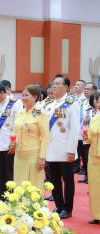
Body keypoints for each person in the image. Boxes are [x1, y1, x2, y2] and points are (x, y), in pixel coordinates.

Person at [46, 74, 80, 219]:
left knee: (68, 181)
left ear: (66, 87)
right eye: (53, 83)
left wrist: (72, 150)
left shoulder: (71, 104)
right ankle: (59, 205)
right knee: (54, 180)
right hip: (51, 150)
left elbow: (74, 129)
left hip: (65, 150)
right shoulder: (49, 105)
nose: (54, 86)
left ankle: (68, 208)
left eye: (58, 84)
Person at [12, 84, 49, 190]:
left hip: (34, 155)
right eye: (22, 95)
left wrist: (42, 157)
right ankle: (19, 206)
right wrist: (13, 141)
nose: (23, 98)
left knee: (33, 184)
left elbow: (45, 136)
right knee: (19, 183)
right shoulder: (19, 114)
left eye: (26, 95)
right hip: (19, 154)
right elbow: (15, 132)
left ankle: (34, 206)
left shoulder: (40, 114)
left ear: (35, 97)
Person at [82, 92, 100, 224]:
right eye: (97, 101)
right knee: (94, 186)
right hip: (94, 156)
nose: (98, 103)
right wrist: (85, 137)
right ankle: (97, 214)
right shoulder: (94, 118)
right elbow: (90, 139)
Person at [77, 82, 97, 184]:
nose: (85, 91)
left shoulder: (96, 101)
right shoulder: (81, 101)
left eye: (88, 89)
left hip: (94, 134)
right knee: (84, 155)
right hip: (83, 131)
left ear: (94, 90)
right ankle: (87, 174)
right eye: (84, 89)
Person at [73, 80, 87, 174]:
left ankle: (84, 167)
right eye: (75, 84)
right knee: (75, 148)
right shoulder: (72, 98)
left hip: (82, 127)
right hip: (74, 127)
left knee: (83, 150)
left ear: (83, 87)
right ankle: (76, 165)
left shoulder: (85, 99)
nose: (76, 86)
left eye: (78, 85)